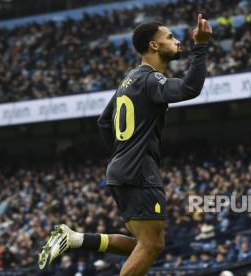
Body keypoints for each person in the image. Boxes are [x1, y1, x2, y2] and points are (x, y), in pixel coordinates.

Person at [38, 13, 212, 275]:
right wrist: (201, 47)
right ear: (153, 46)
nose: (177, 41)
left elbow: (104, 122)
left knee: (148, 243)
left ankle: (74, 239)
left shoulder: (128, 80)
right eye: (170, 37)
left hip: (123, 170)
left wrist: (123, 154)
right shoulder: (150, 79)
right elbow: (189, 88)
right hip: (139, 171)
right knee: (151, 245)